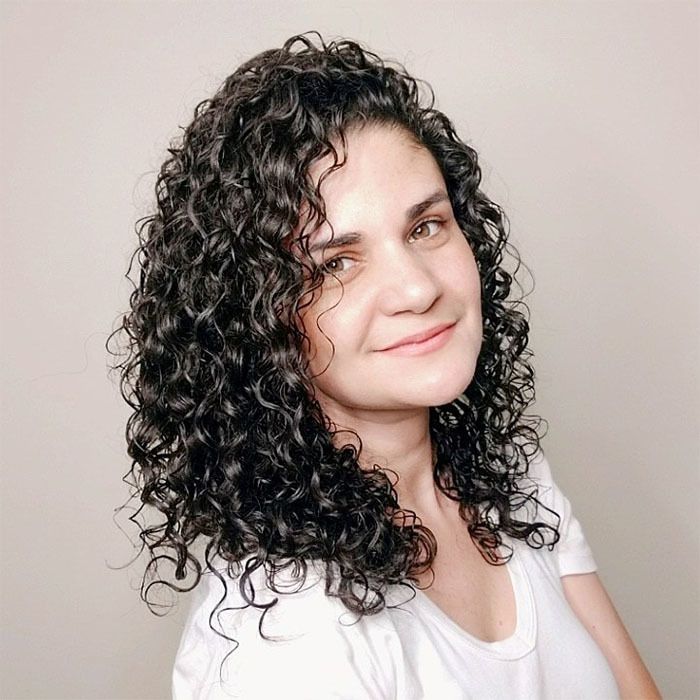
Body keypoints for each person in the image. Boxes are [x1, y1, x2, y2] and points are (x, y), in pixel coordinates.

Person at [111, 31, 661, 699]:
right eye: (336, 263)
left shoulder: (511, 479)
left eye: (426, 226)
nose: (418, 289)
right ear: (254, 318)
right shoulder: (292, 645)